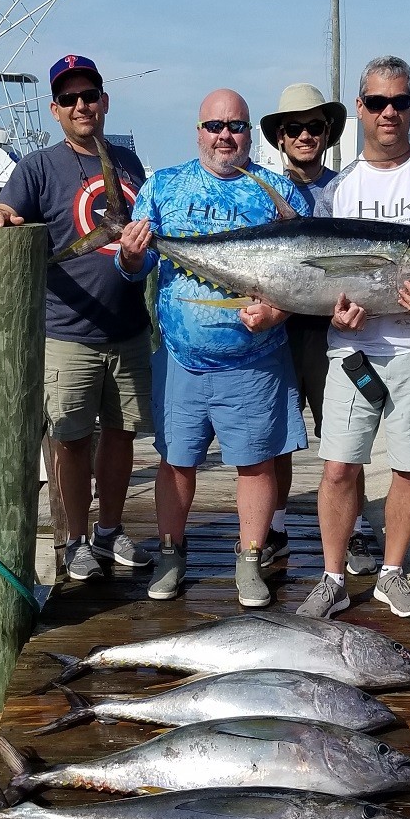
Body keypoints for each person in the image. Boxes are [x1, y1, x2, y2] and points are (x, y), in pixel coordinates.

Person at [297, 55, 410, 622]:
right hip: (355, 350)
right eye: (378, 102)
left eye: (400, 101)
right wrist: (335, 315)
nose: (389, 113)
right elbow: (315, 272)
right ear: (360, 107)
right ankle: (332, 575)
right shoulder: (340, 187)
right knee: (339, 467)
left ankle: (392, 572)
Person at [115, 90, 310, 608]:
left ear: (250, 134)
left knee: (256, 464)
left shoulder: (279, 192)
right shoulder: (163, 186)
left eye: (237, 126)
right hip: (180, 357)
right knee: (176, 462)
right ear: (198, 131)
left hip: (256, 359)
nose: (226, 135)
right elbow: (135, 270)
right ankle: (171, 555)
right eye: (215, 125)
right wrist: (132, 258)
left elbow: (303, 282)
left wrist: (277, 312)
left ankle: (250, 559)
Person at [0, 53, 153, 582]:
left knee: (122, 435)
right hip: (68, 333)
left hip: (129, 330)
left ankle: (109, 530)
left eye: (90, 95)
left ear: (104, 102)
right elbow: (10, 211)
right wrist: (0, 214)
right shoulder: (36, 166)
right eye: (70, 98)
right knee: (70, 439)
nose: (82, 105)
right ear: (55, 109)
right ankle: (74, 538)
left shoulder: (128, 163)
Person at [257, 82, 378, 570]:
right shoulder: (260, 194)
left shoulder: (348, 187)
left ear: (327, 133)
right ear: (281, 138)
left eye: (314, 127)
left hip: (336, 331)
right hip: (275, 332)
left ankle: (360, 529)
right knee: (279, 435)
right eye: (294, 129)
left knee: (346, 433)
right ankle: (278, 525)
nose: (305, 135)